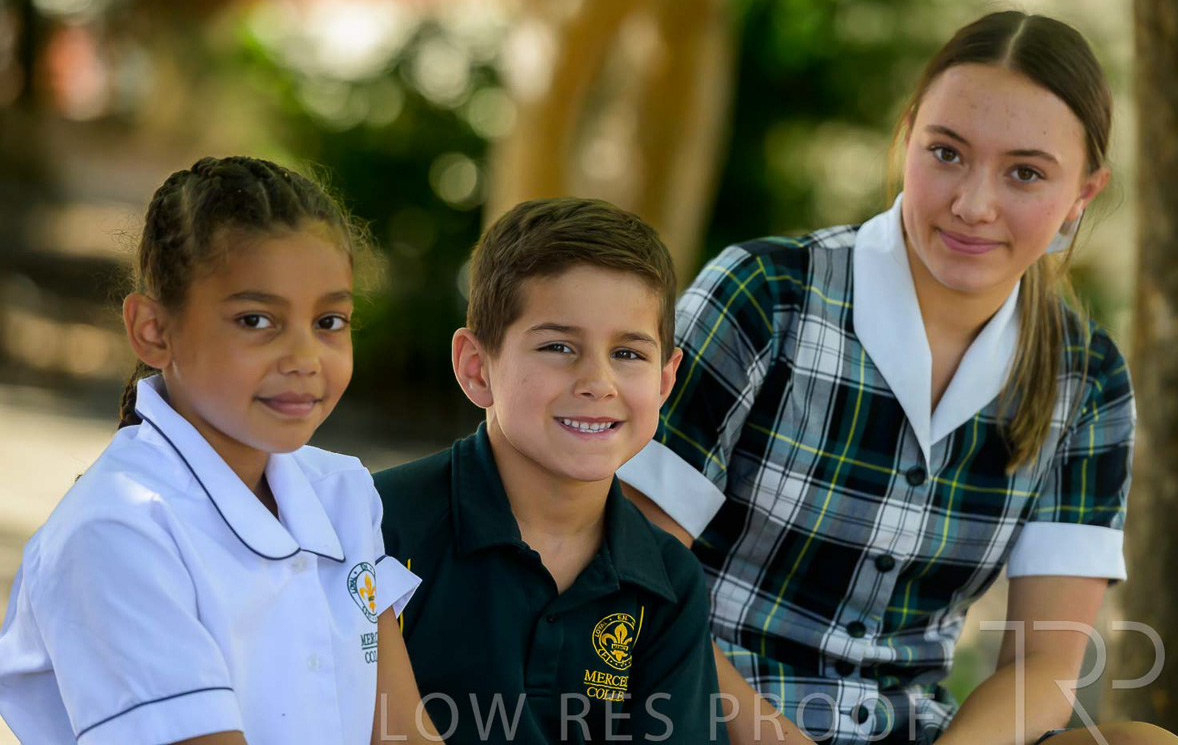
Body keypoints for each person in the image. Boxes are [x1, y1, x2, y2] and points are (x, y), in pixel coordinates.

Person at [618, 12, 1178, 745]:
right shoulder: (764, 295)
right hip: (707, 714)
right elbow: (636, 579)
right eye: (947, 153)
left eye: (1025, 173)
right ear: (907, 137)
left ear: (1082, 194)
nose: (973, 204)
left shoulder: (1088, 378)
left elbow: (1043, 664)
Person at [0, 157, 439, 745]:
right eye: (256, 320)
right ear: (153, 330)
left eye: (330, 321)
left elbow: (403, 732)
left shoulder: (343, 492)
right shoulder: (116, 530)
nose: (305, 358)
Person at [374, 198, 730, 743]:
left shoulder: (669, 581)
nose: (597, 383)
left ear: (665, 380)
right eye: (558, 346)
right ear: (476, 368)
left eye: (628, 354)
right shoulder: (378, 525)